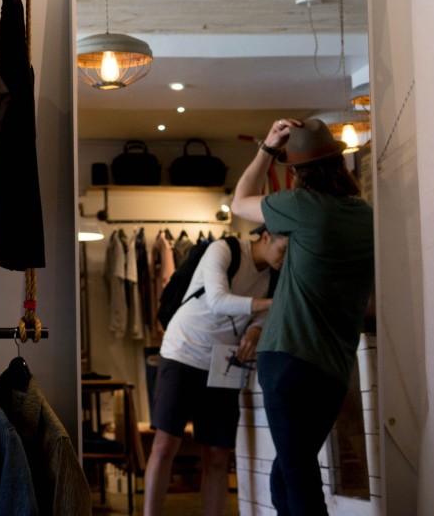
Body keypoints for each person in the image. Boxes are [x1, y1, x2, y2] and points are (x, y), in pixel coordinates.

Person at [230, 118, 374, 516]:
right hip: (332, 369)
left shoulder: (301, 206)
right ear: (338, 163)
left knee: (299, 481)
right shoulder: (365, 217)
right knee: (288, 476)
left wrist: (267, 147)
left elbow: (239, 200)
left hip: (288, 359)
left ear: (296, 172)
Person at [144, 226, 288, 516]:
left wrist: (257, 332)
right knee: (165, 444)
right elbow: (217, 300)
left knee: (218, 454)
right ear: (265, 236)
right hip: (183, 351)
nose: (284, 259)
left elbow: (261, 317)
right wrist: (276, 303)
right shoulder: (224, 249)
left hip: (224, 363)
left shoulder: (274, 275)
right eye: (283, 250)